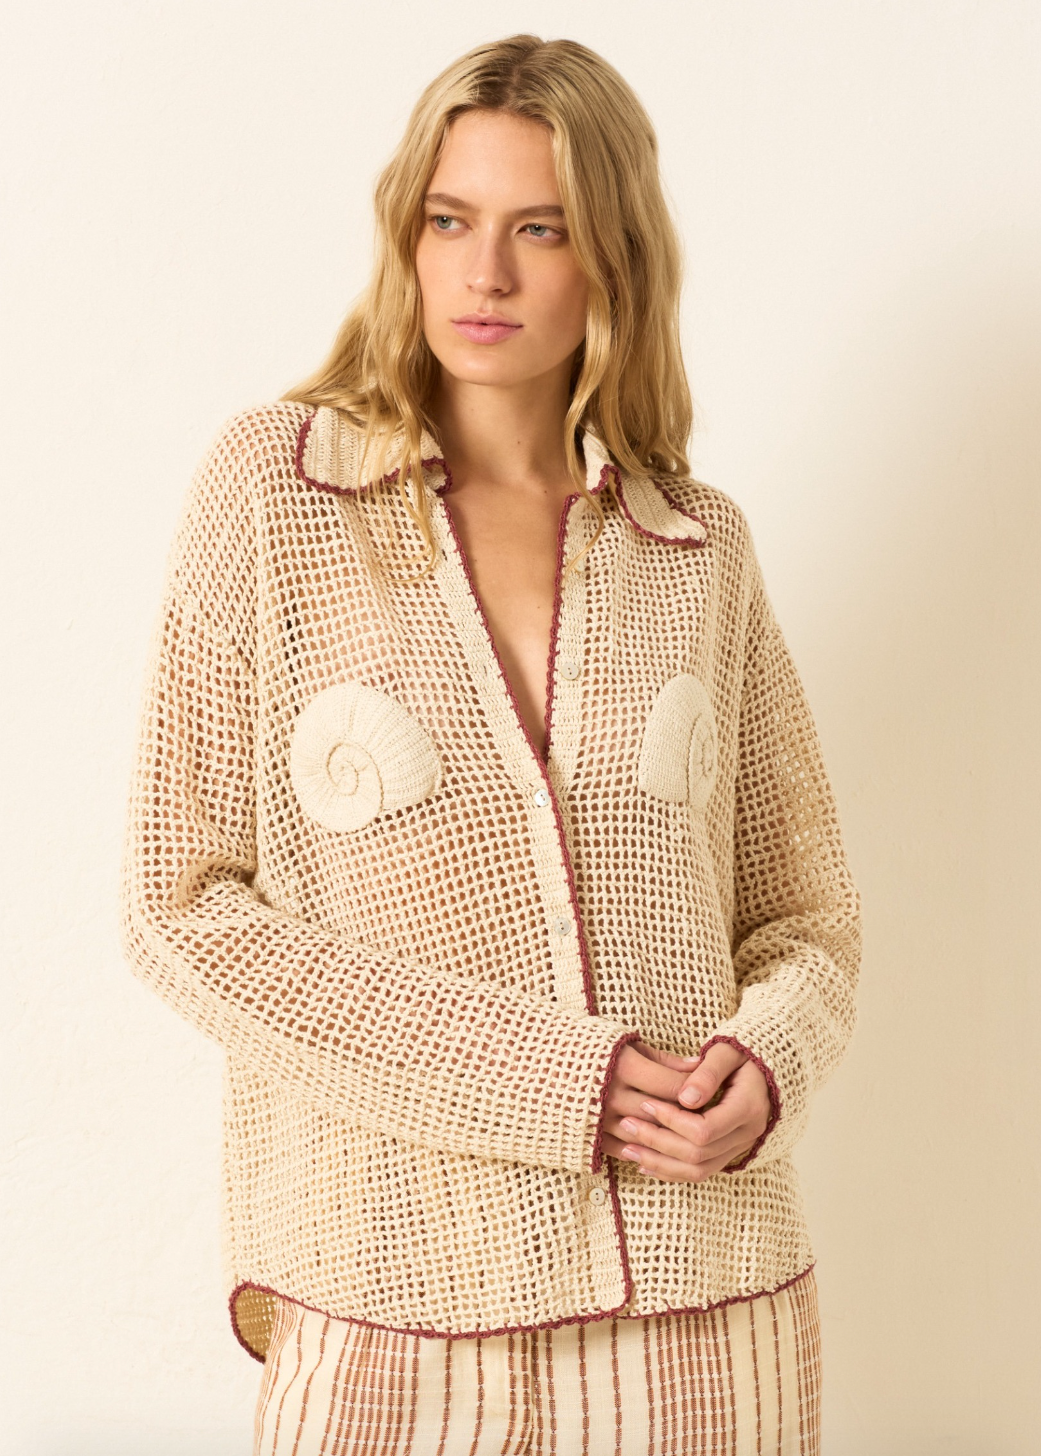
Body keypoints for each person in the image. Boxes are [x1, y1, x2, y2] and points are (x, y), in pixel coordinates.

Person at [120, 33, 860, 1455]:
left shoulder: (696, 547)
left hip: (707, 1301)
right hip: (390, 1295)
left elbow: (807, 918)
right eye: (450, 220)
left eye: (542, 230)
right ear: (405, 232)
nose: (487, 275)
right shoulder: (276, 495)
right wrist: (547, 1081)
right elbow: (183, 908)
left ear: (615, 258)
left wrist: (767, 1066)